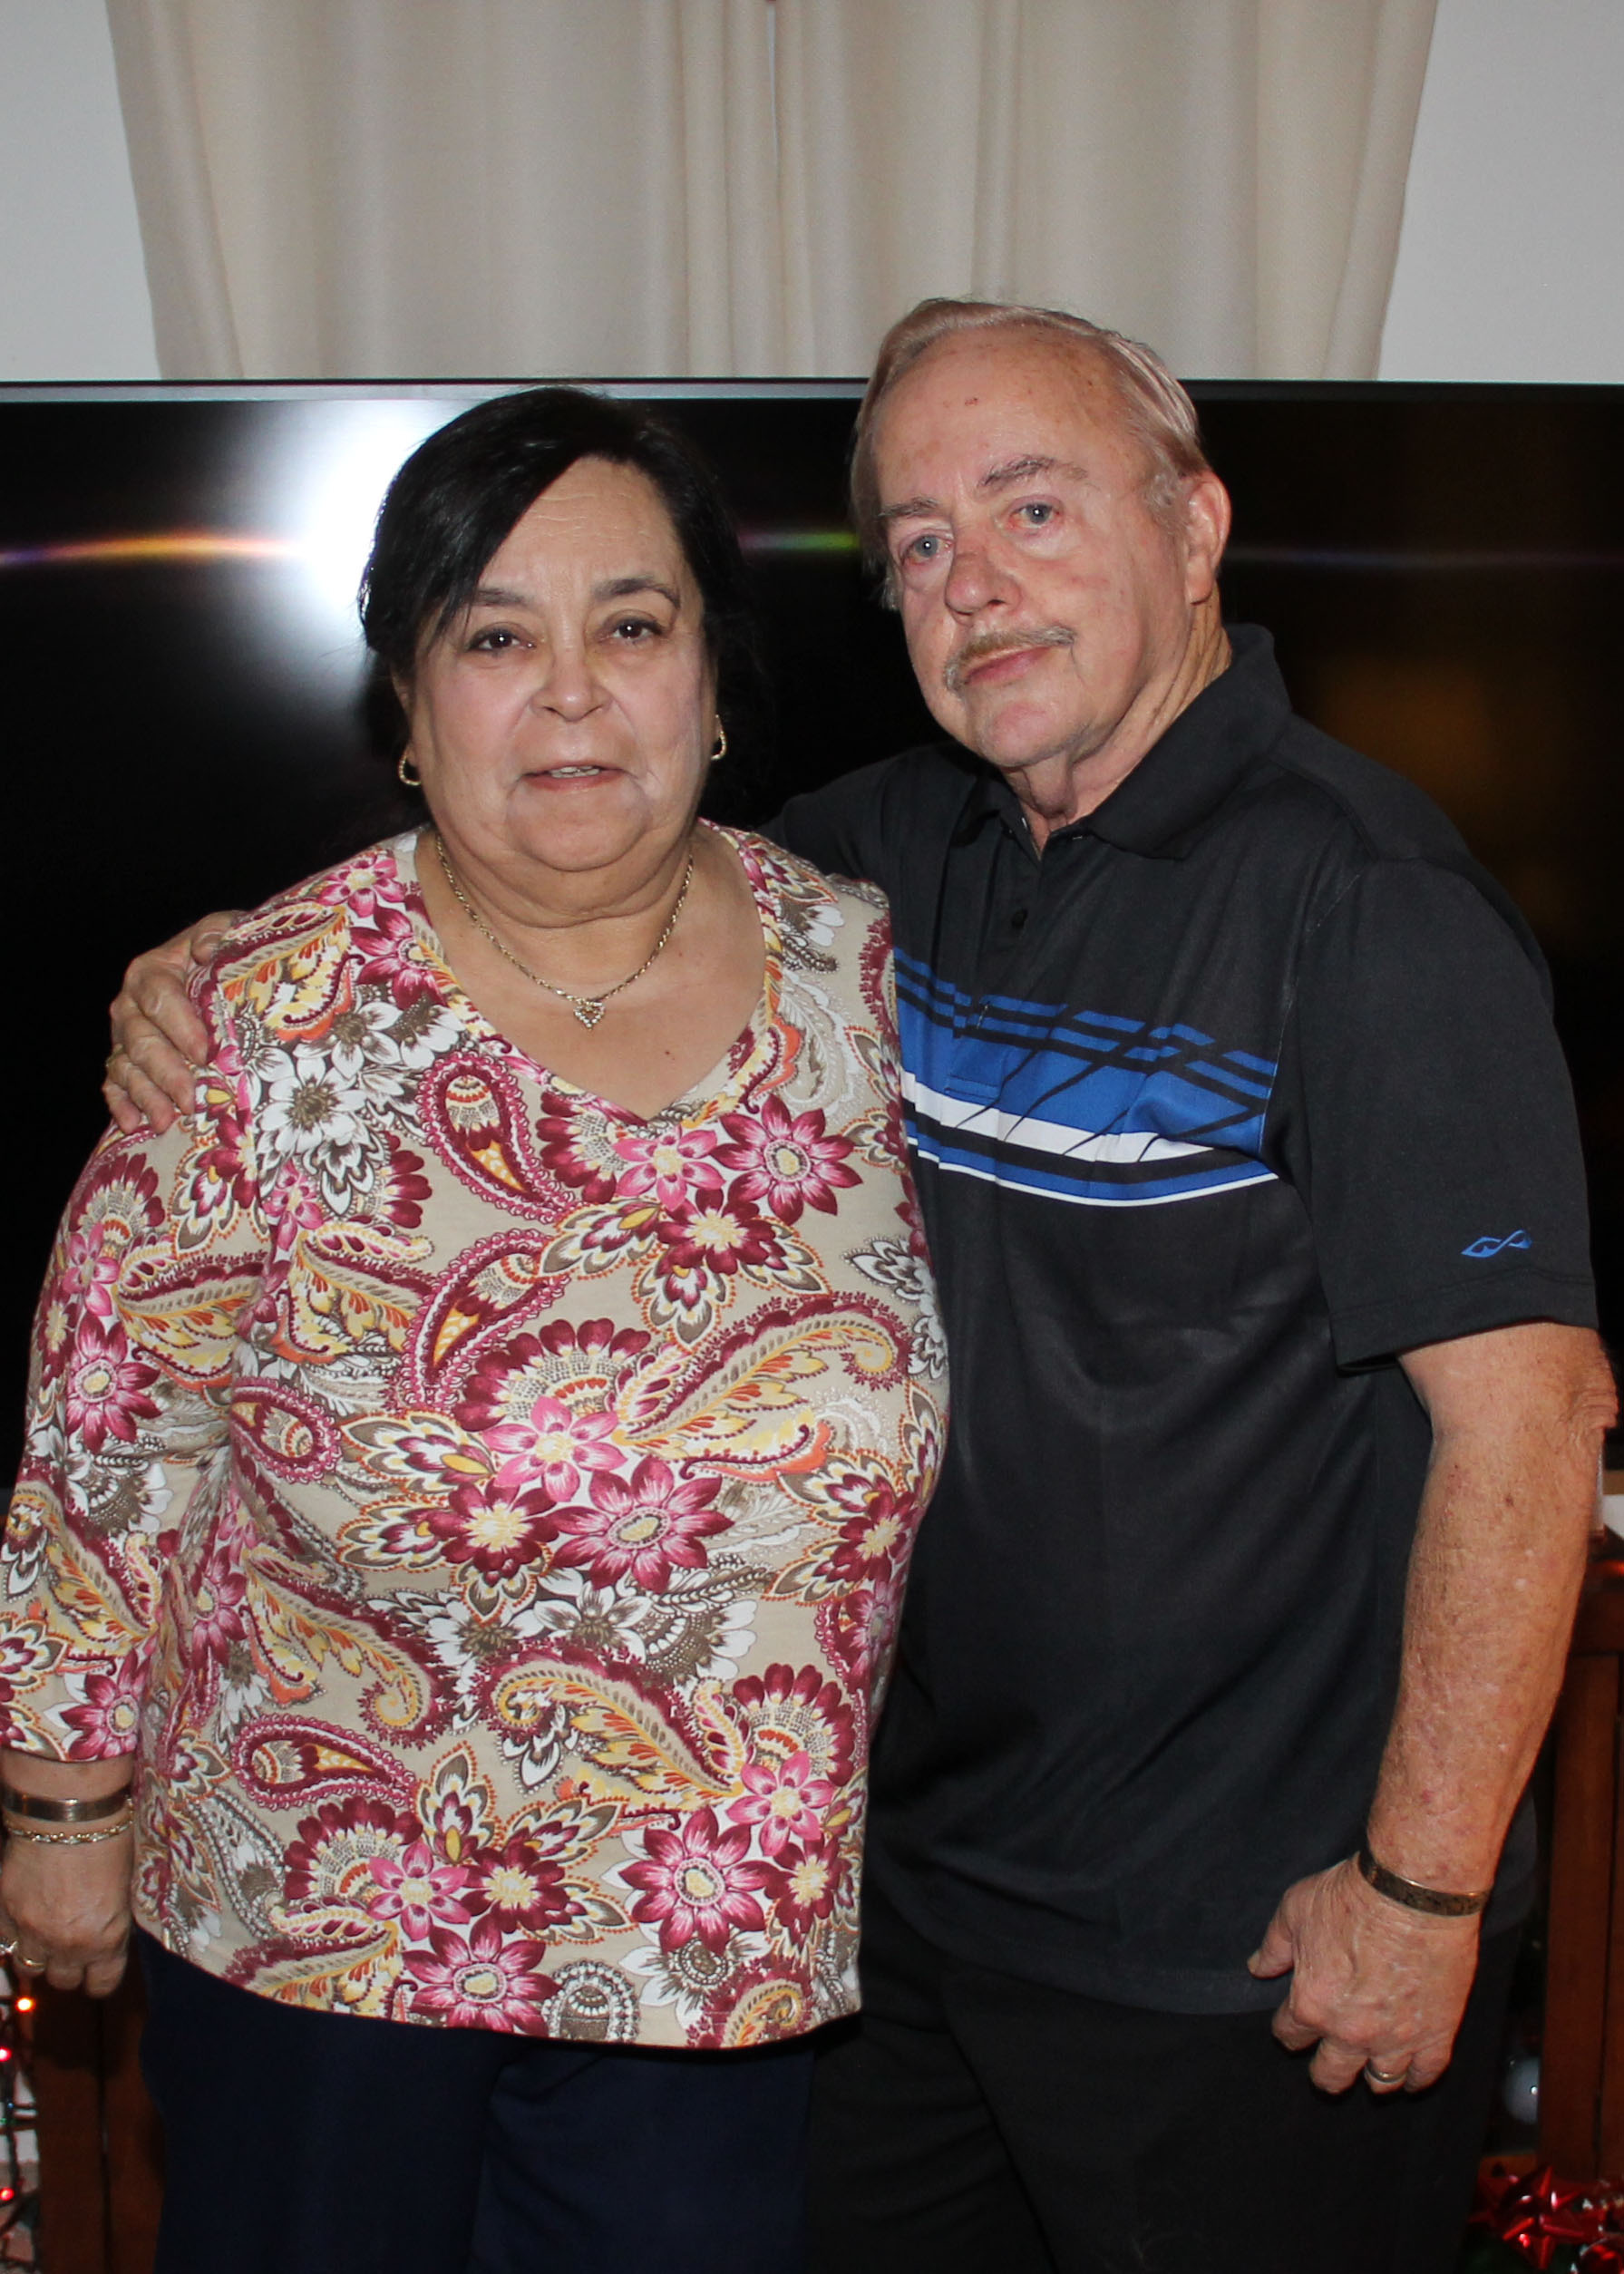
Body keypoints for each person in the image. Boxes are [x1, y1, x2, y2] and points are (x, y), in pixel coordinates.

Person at [106, 303, 1614, 2274]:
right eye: (917, 538)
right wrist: (224, 972)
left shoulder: (1366, 907)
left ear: (1193, 526)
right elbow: (572, 878)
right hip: (902, 1934)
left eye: (1031, 506)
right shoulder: (877, 873)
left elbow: (1530, 1420)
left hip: (1230, 1957)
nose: (969, 581)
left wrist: (1419, 1890)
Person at [0, 385, 946, 2274]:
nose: (572, 691)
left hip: (715, 1941)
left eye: (631, 624)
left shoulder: (863, 973)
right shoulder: (261, 1020)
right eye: (495, 638)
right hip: (322, 1929)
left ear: (711, 680)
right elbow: (110, 1438)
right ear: (411, 709)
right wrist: (60, 1810)